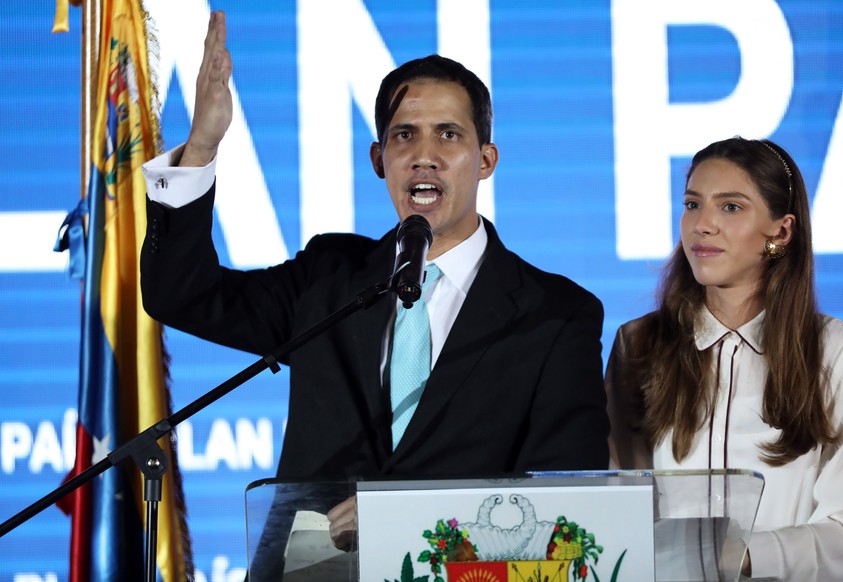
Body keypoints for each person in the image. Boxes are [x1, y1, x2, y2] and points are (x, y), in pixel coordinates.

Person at [140, 11, 609, 548]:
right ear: (379, 159)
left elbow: (566, 497)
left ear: (485, 160)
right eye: (403, 136)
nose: (424, 157)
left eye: (448, 135)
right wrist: (200, 150)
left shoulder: (555, 314)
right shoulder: (328, 278)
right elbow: (182, 294)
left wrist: (408, 522)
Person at [606, 136, 843, 580]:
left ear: (782, 231)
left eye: (730, 207)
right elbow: (618, 498)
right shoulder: (638, 343)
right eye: (693, 204)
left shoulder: (837, 350)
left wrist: (739, 555)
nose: (702, 225)